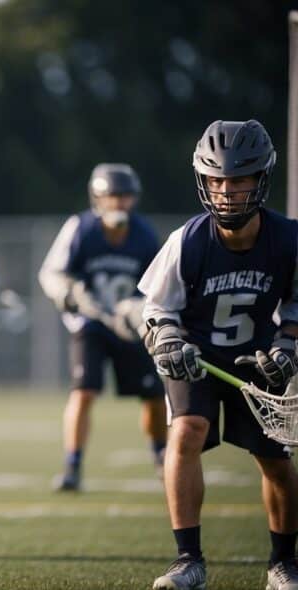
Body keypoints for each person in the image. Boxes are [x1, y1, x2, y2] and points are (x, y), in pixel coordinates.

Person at [140, 119, 298, 590]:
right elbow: (154, 307)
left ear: (261, 178)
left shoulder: (288, 240)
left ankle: (284, 562)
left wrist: (288, 345)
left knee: (274, 459)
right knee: (186, 432)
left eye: (238, 179)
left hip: (257, 359)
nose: (227, 191)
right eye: (217, 180)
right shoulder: (187, 240)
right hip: (197, 355)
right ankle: (188, 559)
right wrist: (167, 340)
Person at [38, 163, 165, 492]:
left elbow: (159, 285)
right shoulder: (81, 229)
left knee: (153, 395)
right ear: (98, 199)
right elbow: (51, 273)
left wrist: (140, 311)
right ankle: (73, 465)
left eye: (124, 197)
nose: (119, 204)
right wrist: (67, 293)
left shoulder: (144, 234)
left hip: (129, 324)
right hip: (90, 324)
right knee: (83, 391)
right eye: (112, 197)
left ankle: (161, 457)